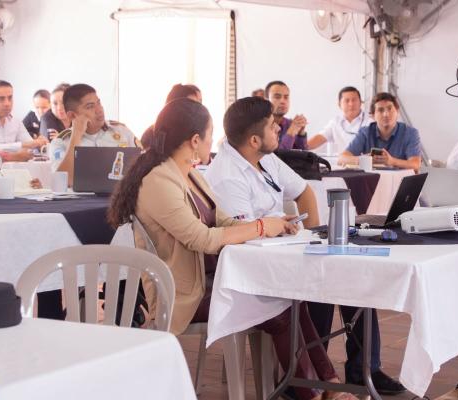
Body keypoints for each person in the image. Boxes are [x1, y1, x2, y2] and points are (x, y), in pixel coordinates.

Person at [109, 98, 354, 400]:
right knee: (279, 304)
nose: (215, 142)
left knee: (289, 299)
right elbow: (202, 238)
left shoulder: (188, 172)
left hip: (210, 279)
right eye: (211, 135)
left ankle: (324, 386)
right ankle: (314, 392)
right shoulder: (160, 179)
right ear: (195, 140)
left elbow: (222, 218)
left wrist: (270, 221)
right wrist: (263, 227)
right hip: (183, 292)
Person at [205, 96, 405, 394]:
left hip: (282, 249)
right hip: (253, 264)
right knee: (326, 276)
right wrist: (279, 230)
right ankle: (313, 384)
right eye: (274, 127)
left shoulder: (265, 157)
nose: (280, 130)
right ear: (254, 139)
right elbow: (242, 237)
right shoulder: (226, 175)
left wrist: (312, 236)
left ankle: (364, 370)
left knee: (351, 272)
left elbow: (304, 192)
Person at [48, 84, 138, 185]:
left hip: (119, 197)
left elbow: (144, 169)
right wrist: (76, 136)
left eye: (99, 103)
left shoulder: (122, 131)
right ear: (72, 115)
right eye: (90, 106)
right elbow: (63, 182)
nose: (99, 110)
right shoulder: (60, 143)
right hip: (81, 200)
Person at [338, 92, 422, 171]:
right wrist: (365, 160)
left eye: (390, 109)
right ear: (372, 116)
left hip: (400, 183)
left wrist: (392, 161)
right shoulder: (365, 132)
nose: (386, 114)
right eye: (380, 110)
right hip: (372, 182)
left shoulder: (410, 133)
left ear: (397, 112)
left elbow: (415, 164)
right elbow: (342, 158)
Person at [0, 80, 47, 161]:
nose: (7, 103)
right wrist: (22, 146)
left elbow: (30, 147)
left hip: (16, 170)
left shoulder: (16, 121)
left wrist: (39, 143)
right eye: (1, 99)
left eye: (10, 98)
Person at [307, 86, 373, 154]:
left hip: (363, 162)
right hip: (340, 162)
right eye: (347, 101)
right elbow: (319, 138)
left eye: (354, 100)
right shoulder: (335, 122)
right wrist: (299, 148)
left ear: (361, 102)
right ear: (339, 104)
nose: (351, 104)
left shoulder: (370, 121)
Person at [141, 84, 203, 151]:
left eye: (200, 102)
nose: (199, 108)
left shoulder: (194, 134)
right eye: (191, 104)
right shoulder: (153, 134)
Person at [266, 81, 308, 150]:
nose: (283, 101)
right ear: (266, 100)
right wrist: (291, 132)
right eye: (277, 97)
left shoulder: (290, 124)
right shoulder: (260, 126)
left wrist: (301, 134)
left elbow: (304, 157)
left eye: (286, 97)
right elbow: (275, 157)